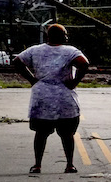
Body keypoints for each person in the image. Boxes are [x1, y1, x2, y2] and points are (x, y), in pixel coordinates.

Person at [13, 23, 89, 174]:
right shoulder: (70, 51)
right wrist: (74, 82)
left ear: (48, 36)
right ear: (63, 36)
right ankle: (69, 165)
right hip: (64, 98)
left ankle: (37, 165)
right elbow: (84, 64)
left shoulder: (35, 50)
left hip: (42, 98)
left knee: (41, 133)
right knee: (67, 134)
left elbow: (17, 61)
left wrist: (31, 79)